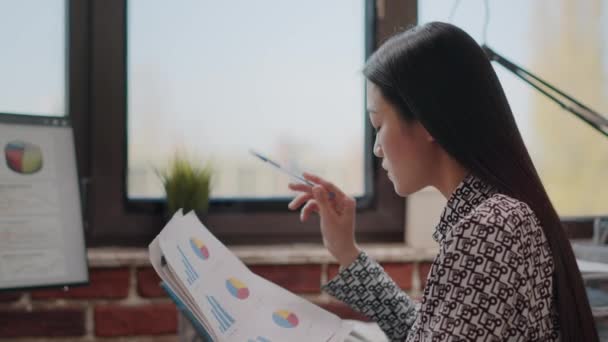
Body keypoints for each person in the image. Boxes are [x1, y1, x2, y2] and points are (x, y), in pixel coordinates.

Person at [287, 22, 597, 341]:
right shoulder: (496, 216)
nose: (376, 148)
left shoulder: (489, 228)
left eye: (378, 124)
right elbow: (431, 330)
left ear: (427, 121)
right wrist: (346, 251)